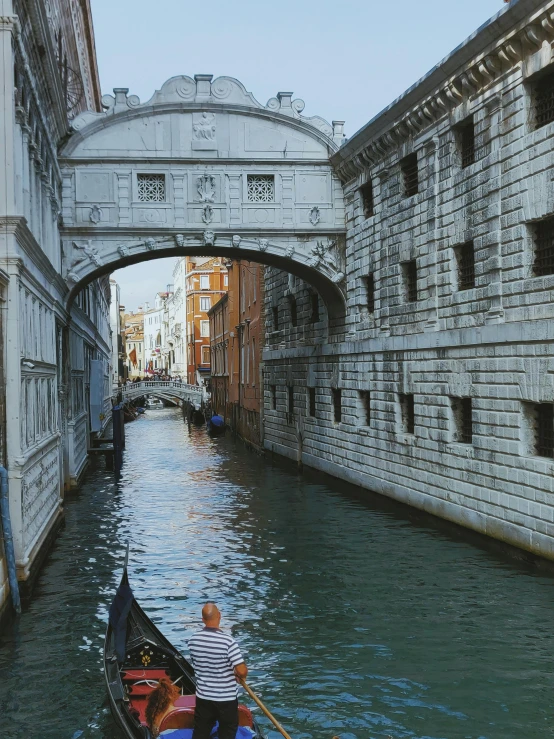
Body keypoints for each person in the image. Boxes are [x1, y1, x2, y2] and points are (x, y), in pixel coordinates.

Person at [188, 602, 248, 739]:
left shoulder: (193, 640)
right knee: (227, 734)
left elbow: (200, 664)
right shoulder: (229, 642)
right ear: (219, 616)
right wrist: (239, 675)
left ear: (203, 619)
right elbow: (242, 671)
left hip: (204, 698)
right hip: (226, 700)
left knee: (200, 734)